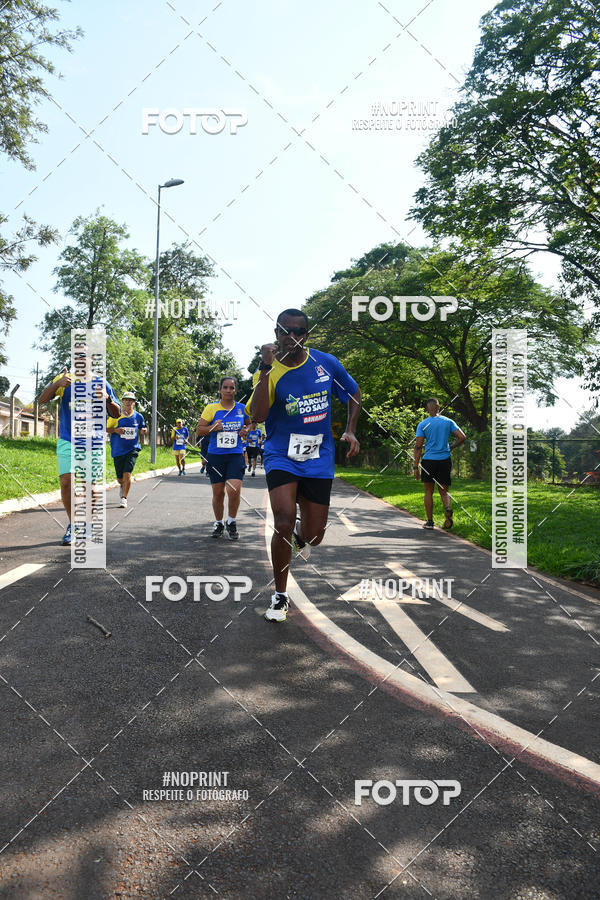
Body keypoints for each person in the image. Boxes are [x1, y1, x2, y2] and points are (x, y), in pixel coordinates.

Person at [247, 308, 361, 622]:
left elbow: (354, 393)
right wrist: (265, 369)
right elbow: (257, 415)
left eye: (298, 332)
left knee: (314, 536)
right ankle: (280, 595)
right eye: (286, 331)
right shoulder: (267, 372)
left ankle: (302, 534)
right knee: (282, 520)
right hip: (281, 454)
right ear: (276, 335)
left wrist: (350, 429)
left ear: (306, 336)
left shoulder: (326, 363)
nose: (292, 338)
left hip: (318, 457)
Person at [38, 364, 120, 545]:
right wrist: (56, 384)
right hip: (68, 439)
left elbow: (116, 412)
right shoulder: (65, 380)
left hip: (94, 442)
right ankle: (74, 525)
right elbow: (42, 400)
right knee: (66, 482)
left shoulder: (102, 383)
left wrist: (107, 400)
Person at [196, 376, 250, 540]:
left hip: (235, 455)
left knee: (234, 489)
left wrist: (245, 430)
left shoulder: (241, 408)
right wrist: (213, 427)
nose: (228, 390)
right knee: (218, 493)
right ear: (220, 390)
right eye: (225, 387)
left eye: (231, 388)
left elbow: (249, 423)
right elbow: (199, 430)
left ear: (236, 390)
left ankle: (231, 521)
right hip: (216, 456)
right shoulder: (211, 408)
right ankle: (218, 523)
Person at [413, 398, 466, 529]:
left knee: (428, 491)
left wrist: (415, 466)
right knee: (444, 491)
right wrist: (451, 447)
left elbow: (418, 447)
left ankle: (430, 522)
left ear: (427, 409)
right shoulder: (448, 421)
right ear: (439, 407)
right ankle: (447, 508)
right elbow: (462, 437)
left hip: (429, 461)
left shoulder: (423, 424)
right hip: (444, 460)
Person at [106, 392, 146, 508]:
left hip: (132, 449)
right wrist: (115, 430)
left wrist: (143, 430)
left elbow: (142, 427)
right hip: (118, 450)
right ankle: (122, 486)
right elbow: (107, 428)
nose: (128, 402)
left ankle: (124, 498)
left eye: (131, 400)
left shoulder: (138, 416)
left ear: (134, 403)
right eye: (126, 400)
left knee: (127, 474)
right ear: (123, 402)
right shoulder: (116, 415)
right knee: (120, 478)